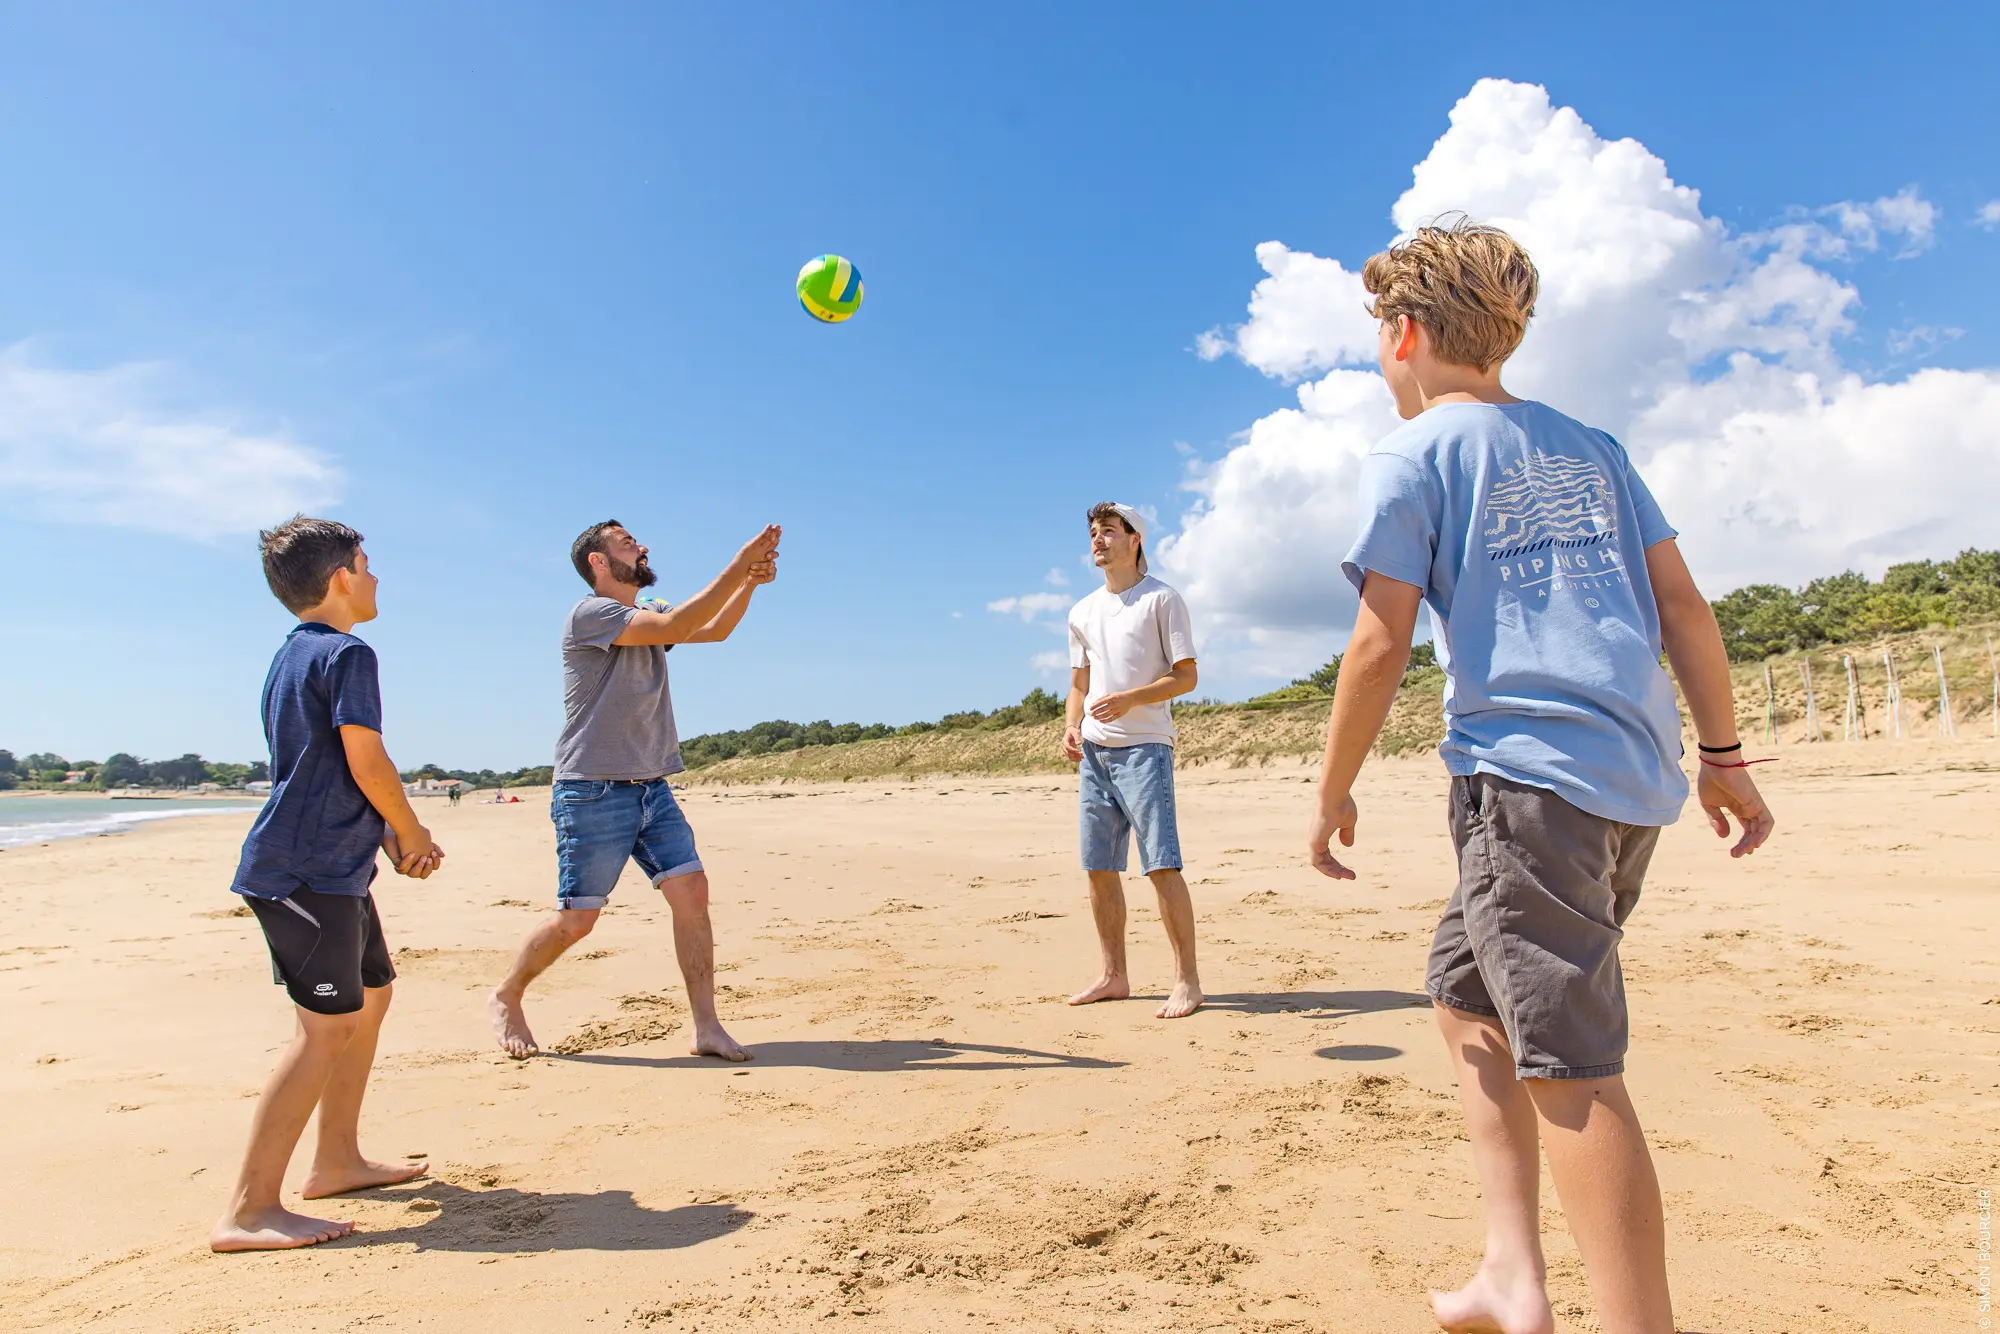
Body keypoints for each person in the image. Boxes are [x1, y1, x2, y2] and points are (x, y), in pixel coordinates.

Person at [1305, 219, 1774, 1334]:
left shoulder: (1415, 452)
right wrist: (1720, 755)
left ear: (1403, 332)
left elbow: (1377, 642)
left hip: (1524, 779)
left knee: (1569, 1063)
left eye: (1379, 334)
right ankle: (1510, 1269)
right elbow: (1681, 606)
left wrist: (1329, 790)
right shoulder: (1590, 444)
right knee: (1464, 995)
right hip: (1625, 770)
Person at [212, 516, 443, 1253]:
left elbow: (321, 767)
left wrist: (374, 833)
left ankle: (337, 1159)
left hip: (334, 868)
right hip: (300, 873)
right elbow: (365, 757)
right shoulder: (348, 653)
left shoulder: (292, 657)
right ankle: (248, 1211)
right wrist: (409, 828)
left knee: (371, 998)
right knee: (326, 1029)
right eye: (367, 565)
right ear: (342, 577)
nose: (375, 578)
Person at [488, 520, 780, 1061]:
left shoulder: (649, 614)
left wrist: (749, 587)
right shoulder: (590, 614)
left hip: (651, 784)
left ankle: (706, 1026)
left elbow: (710, 630)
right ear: (598, 562)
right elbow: (679, 620)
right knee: (578, 919)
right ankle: (508, 993)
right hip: (592, 789)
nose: (641, 546)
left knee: (691, 893)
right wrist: (739, 564)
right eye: (626, 542)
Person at [1061, 502, 1204, 1019]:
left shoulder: (1162, 600)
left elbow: (1186, 677)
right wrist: (1072, 725)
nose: (1098, 541)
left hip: (1146, 750)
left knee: (1161, 865)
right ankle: (1113, 975)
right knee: (1099, 868)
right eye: (1094, 534)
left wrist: (1130, 699)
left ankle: (1187, 981)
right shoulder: (1081, 611)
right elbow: (1079, 681)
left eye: (1108, 532)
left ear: (1135, 538)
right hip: (1094, 754)